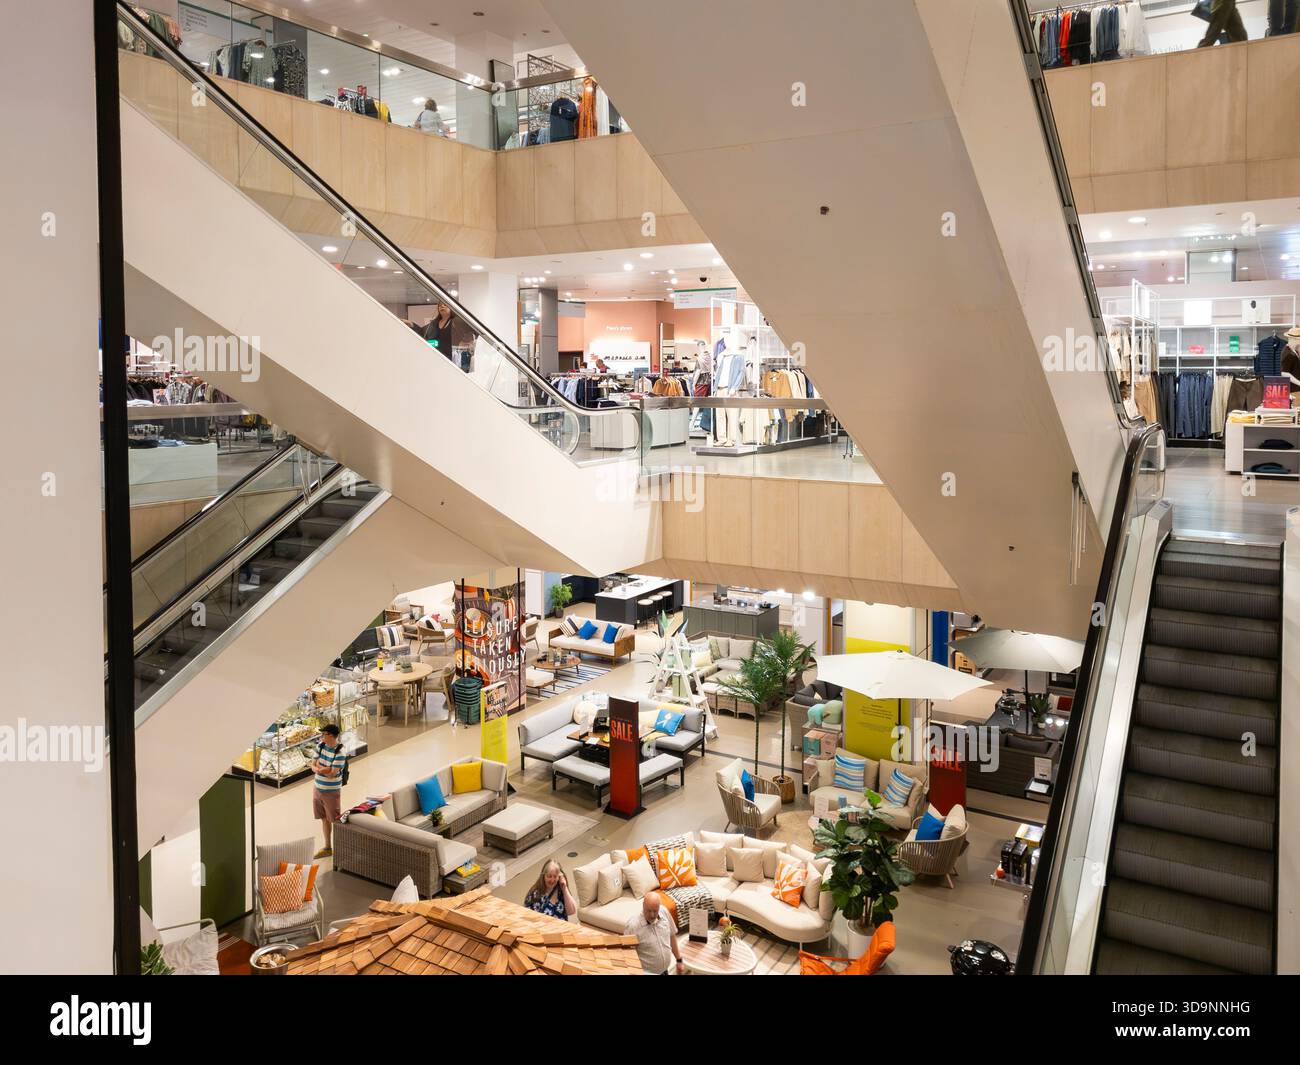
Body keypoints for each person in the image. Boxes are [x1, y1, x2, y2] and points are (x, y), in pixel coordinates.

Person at [623, 892, 684, 975]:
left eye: (655, 911)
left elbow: (671, 935)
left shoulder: (664, 912)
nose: (652, 915)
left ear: (659, 907)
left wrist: (679, 959)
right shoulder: (632, 926)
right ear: (643, 905)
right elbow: (628, 955)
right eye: (649, 911)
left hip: (665, 971)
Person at [310, 724, 347, 859]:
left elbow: (332, 774)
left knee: (335, 820)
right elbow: (312, 765)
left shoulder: (340, 752)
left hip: (331, 792)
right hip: (318, 788)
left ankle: (341, 847)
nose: (321, 736)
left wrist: (320, 768)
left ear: (331, 735)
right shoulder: (320, 746)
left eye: (324, 734)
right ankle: (327, 847)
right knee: (324, 819)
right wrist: (323, 769)